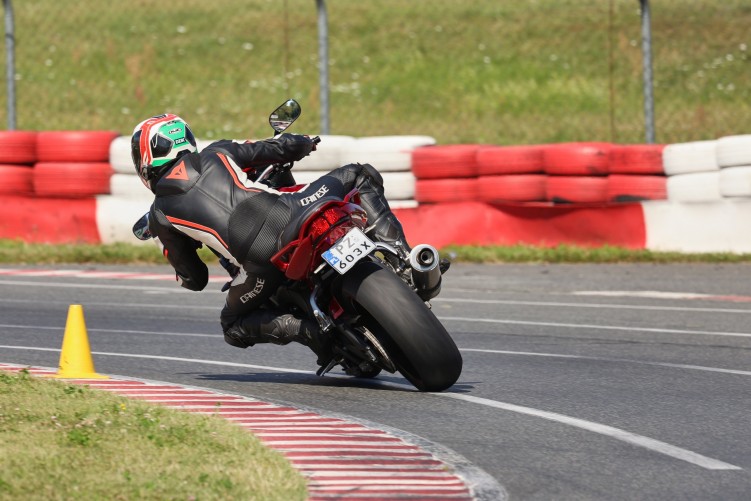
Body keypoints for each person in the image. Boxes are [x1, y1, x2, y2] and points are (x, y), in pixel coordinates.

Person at [130, 113, 440, 365]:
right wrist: (304, 143)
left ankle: (309, 332)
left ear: (145, 158)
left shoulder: (160, 214)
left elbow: (195, 279)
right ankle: (404, 259)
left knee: (233, 325)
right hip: (297, 211)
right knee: (360, 174)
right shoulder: (218, 152)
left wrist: (177, 260)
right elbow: (278, 148)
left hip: (261, 267)